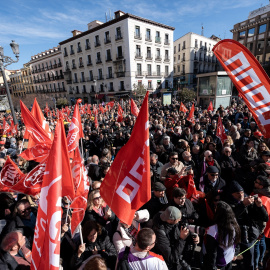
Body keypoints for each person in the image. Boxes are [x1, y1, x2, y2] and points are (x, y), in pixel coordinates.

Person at [203, 201, 241, 270]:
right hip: (228, 260)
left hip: (218, 264)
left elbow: (212, 253)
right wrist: (235, 254)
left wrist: (213, 268)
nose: (214, 209)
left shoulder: (214, 230)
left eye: (215, 208)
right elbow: (237, 243)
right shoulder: (235, 225)